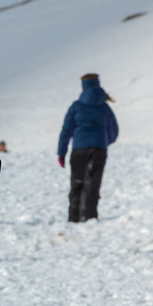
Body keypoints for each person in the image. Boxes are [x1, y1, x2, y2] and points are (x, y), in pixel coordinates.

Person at [57, 73, 119, 222]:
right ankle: (90, 217)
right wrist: (103, 141)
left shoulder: (76, 106)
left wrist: (61, 152)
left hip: (79, 149)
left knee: (77, 183)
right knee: (93, 183)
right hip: (99, 149)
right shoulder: (105, 107)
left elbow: (66, 130)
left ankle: (73, 217)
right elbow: (114, 131)